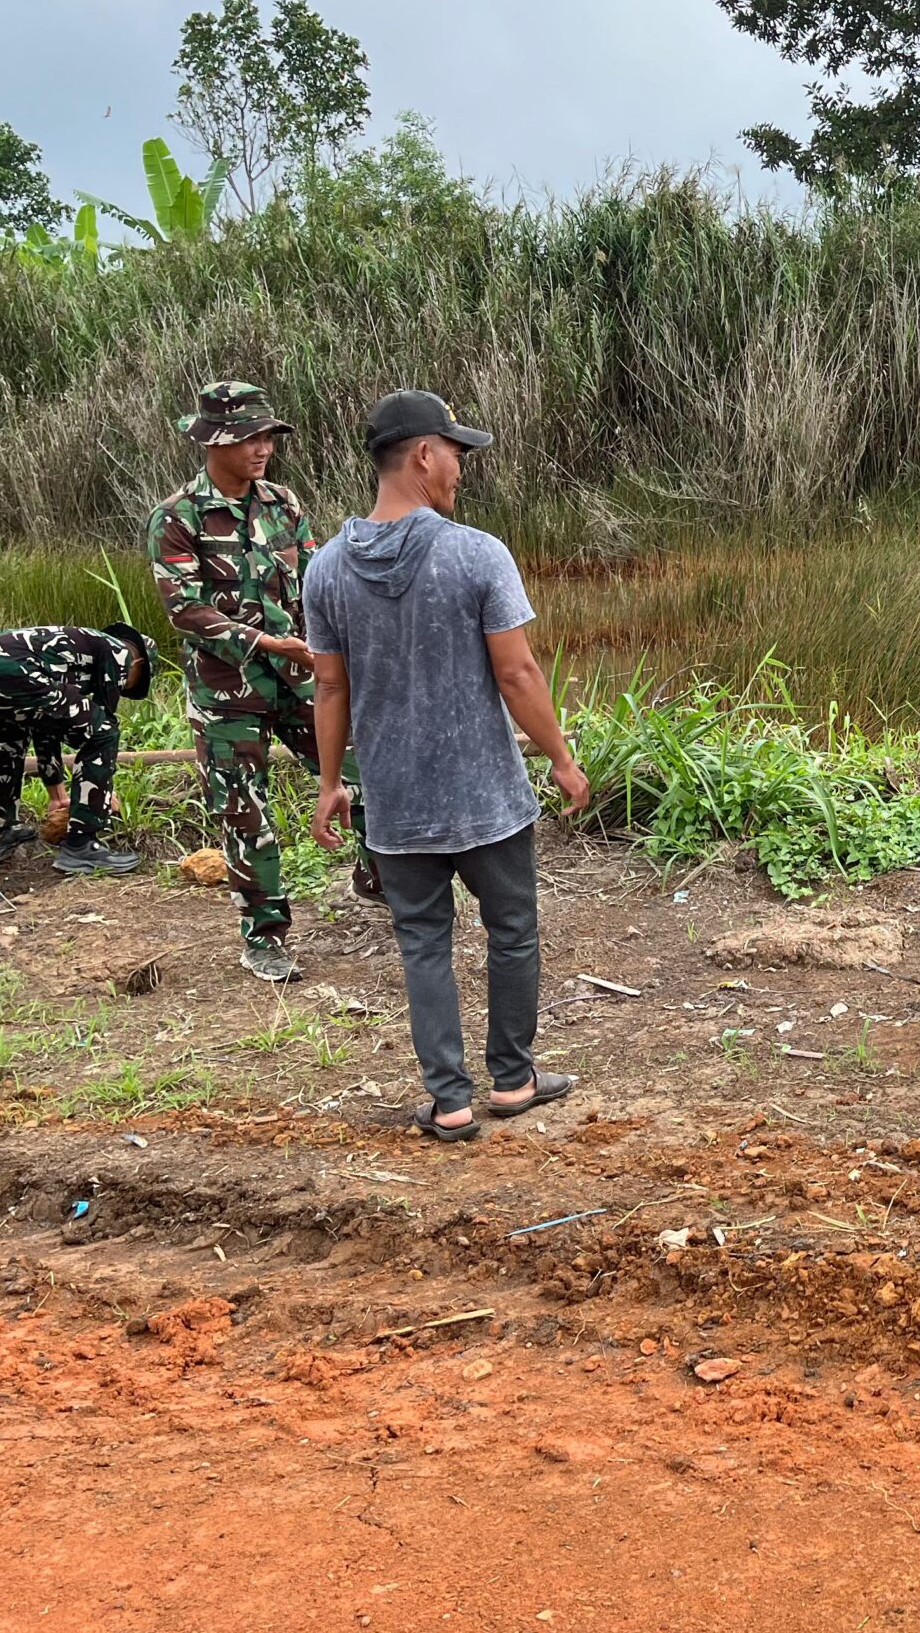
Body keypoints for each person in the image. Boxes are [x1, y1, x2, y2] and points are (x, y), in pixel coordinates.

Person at [304, 389, 592, 1144]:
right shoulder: (476, 553)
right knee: (512, 929)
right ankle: (513, 1079)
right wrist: (561, 758)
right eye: (457, 456)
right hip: (484, 795)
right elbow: (517, 673)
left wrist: (332, 783)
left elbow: (330, 687)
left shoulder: (326, 569)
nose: (461, 471)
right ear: (424, 455)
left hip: (396, 801)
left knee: (423, 942)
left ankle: (450, 1101)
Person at [145, 379, 372, 984]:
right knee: (245, 814)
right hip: (227, 690)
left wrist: (332, 648)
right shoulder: (177, 517)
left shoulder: (283, 504)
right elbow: (184, 609)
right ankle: (265, 938)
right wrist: (267, 643)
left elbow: (318, 581)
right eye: (248, 438)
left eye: (267, 436)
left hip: (302, 681)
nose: (262, 448)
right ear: (213, 443)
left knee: (367, 772)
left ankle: (379, 879)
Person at [0, 623, 154, 874]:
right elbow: (100, 727)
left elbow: (46, 726)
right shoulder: (119, 652)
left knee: (11, 737)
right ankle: (82, 846)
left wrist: (57, 796)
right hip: (4, 673)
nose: (126, 688)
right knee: (104, 732)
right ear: (138, 664)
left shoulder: (73, 653)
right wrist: (101, 795)